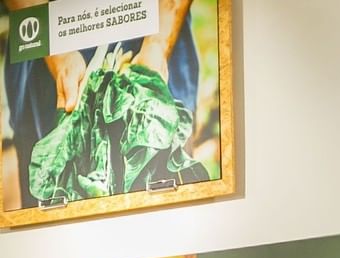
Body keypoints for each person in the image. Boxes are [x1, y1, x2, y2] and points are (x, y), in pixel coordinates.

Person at [3, 0, 198, 208]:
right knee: (53, 211)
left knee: (166, 200)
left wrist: (157, 44)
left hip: (157, 26)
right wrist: (58, 56)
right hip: (47, 44)